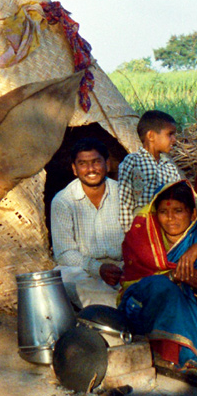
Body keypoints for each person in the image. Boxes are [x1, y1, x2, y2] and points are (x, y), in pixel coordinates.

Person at [119, 181, 197, 369]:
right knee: (162, 288)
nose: (170, 218)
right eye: (163, 212)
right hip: (147, 305)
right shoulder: (142, 238)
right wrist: (171, 277)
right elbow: (135, 285)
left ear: (193, 214)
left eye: (178, 210)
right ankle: (184, 356)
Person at [50, 138, 124, 307]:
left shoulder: (122, 193)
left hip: (121, 267)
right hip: (85, 270)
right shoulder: (63, 201)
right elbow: (65, 253)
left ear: (108, 165)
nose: (90, 169)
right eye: (83, 164)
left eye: (96, 162)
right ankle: (116, 309)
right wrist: (98, 268)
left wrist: (127, 267)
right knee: (63, 276)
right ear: (75, 169)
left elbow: (135, 237)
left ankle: (116, 306)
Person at [118, 110, 182, 233]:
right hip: (140, 230)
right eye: (170, 134)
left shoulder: (170, 166)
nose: (174, 139)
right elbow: (125, 202)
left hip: (166, 229)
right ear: (151, 136)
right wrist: (129, 233)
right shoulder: (132, 162)